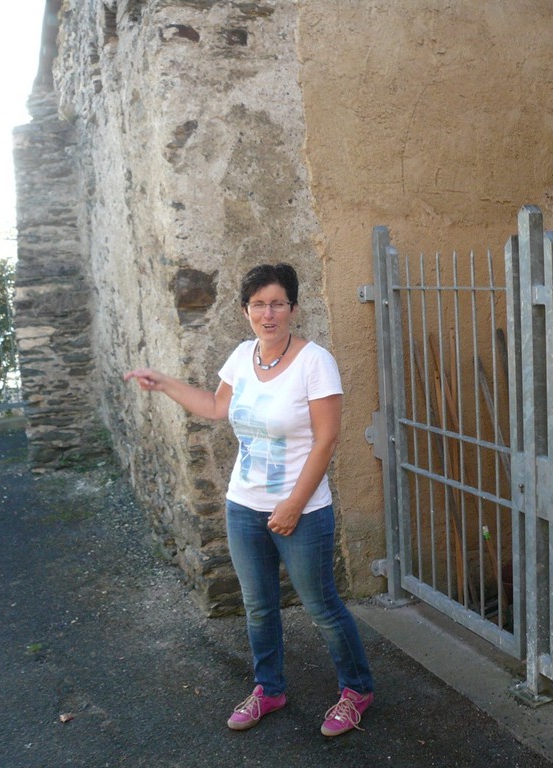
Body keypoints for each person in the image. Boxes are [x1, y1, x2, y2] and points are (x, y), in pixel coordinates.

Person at [123, 263, 375, 737]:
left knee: (321, 606)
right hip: (243, 505)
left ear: (293, 308)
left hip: (302, 509)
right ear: (245, 311)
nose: (268, 313)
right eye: (258, 304)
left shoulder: (315, 362)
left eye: (277, 303)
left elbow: (326, 440)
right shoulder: (242, 356)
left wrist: (293, 505)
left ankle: (357, 690)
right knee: (257, 606)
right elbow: (215, 407)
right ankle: (269, 689)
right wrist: (165, 382)